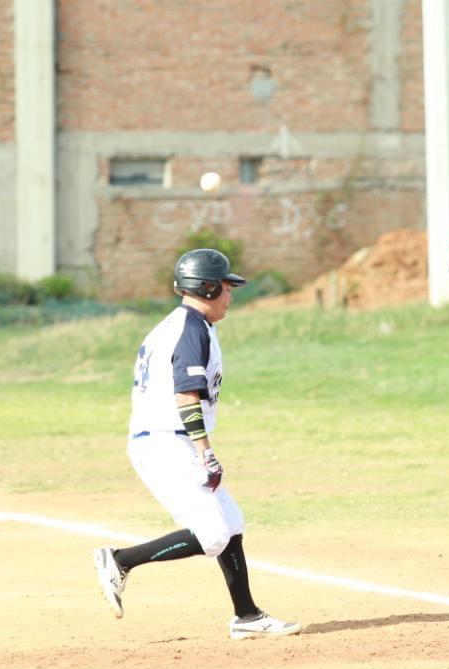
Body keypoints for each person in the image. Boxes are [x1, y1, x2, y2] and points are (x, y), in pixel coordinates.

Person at [92, 248, 302, 640]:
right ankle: (120, 560)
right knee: (212, 535)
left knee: (231, 522)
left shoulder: (182, 325)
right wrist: (206, 451)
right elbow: (187, 395)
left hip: (169, 440)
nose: (230, 295)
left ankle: (247, 616)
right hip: (167, 443)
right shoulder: (189, 329)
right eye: (225, 287)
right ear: (206, 287)